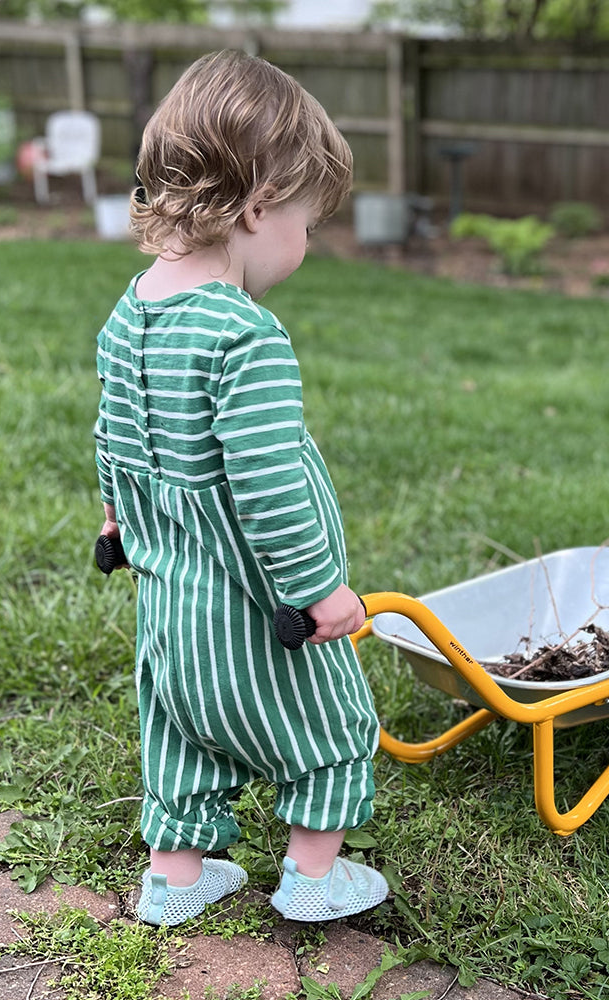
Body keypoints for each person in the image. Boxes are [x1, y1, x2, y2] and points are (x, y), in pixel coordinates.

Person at [94, 49, 388, 927]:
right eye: (305, 221)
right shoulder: (243, 333)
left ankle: (177, 881)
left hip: (172, 616)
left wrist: (115, 515)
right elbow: (265, 485)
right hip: (262, 621)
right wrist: (318, 593)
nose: (305, 243)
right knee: (333, 733)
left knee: (179, 741)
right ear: (258, 208)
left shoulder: (133, 306)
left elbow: (111, 433)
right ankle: (311, 877)